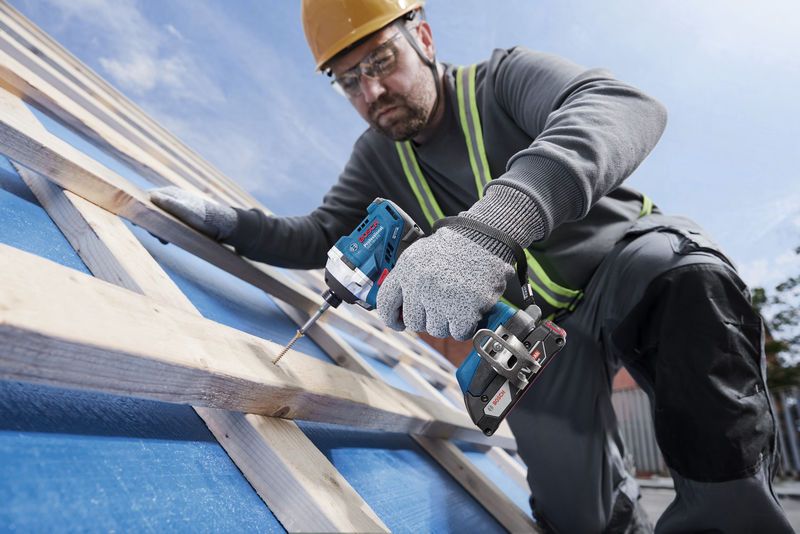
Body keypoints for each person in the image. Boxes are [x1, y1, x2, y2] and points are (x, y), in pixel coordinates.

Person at [150, 1, 791, 531]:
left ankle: (727, 517)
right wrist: (229, 224)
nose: (372, 90)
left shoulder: (502, 81)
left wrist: (487, 229)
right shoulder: (377, 159)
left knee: (687, 284)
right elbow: (319, 233)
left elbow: (626, 107)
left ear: (423, 37)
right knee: (572, 515)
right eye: (350, 80)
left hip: (626, 267)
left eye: (382, 61)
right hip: (537, 331)